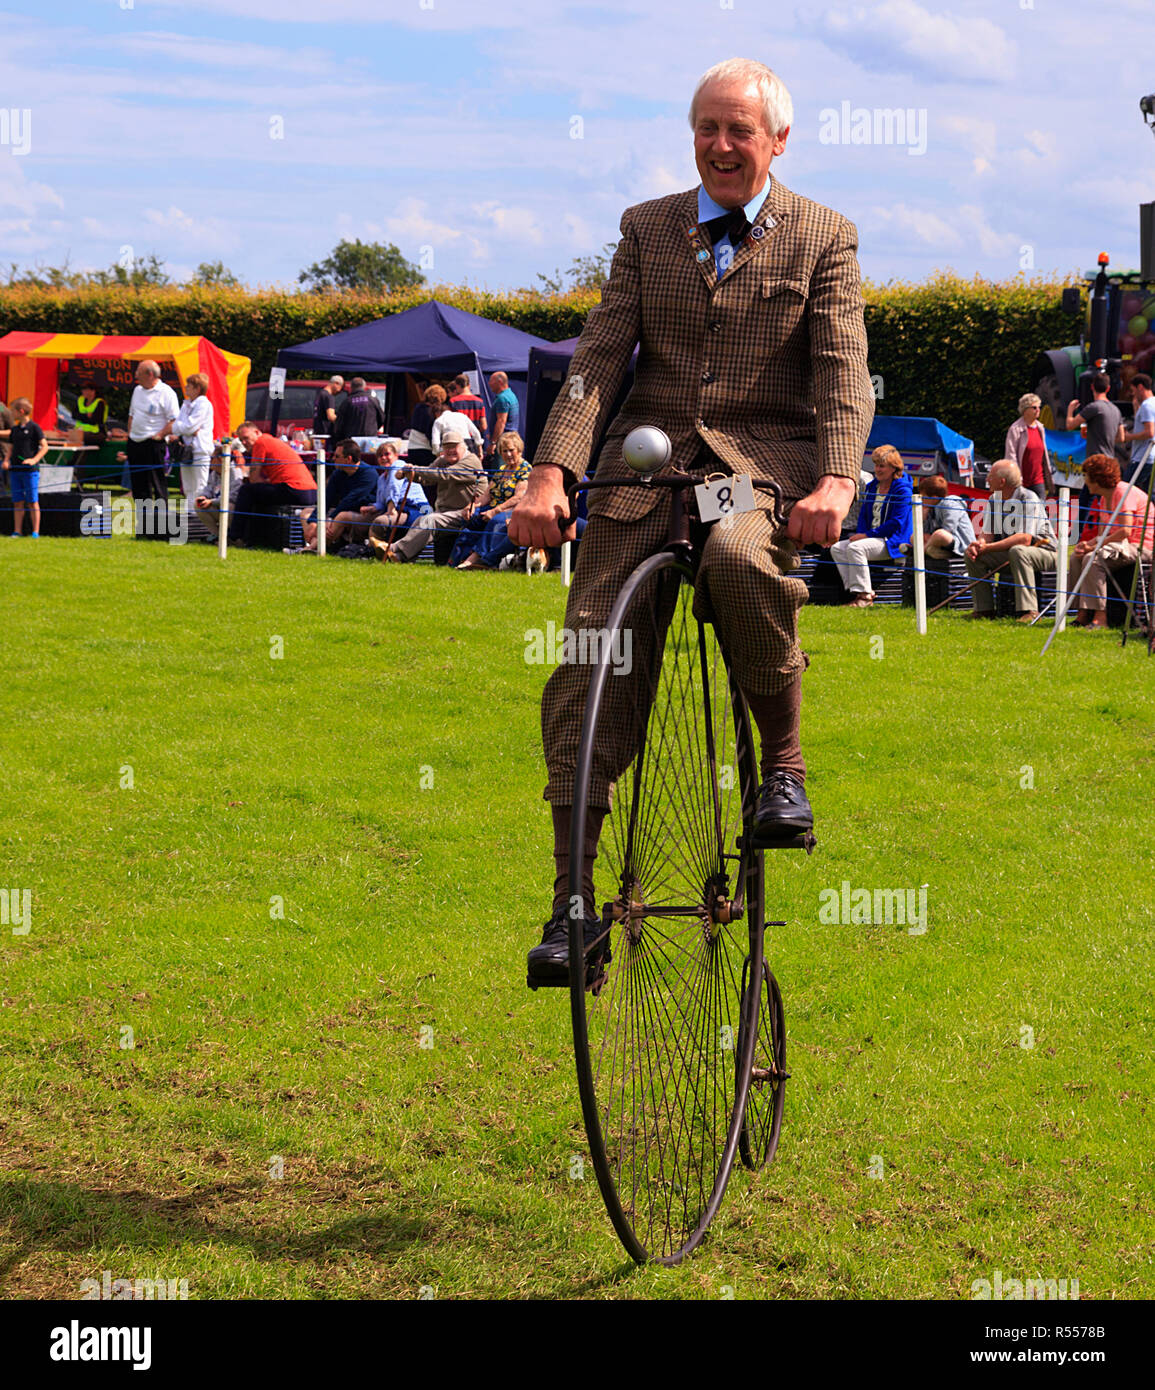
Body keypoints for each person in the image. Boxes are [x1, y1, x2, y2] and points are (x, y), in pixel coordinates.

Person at [508, 57, 874, 987]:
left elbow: (840, 369)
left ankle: (782, 771)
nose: (719, 145)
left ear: (776, 141)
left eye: (739, 130)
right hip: (648, 472)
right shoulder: (648, 228)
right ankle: (571, 907)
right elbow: (596, 358)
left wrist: (835, 478)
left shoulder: (822, 237)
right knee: (590, 656)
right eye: (706, 128)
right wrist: (548, 470)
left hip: (749, 473)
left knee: (737, 553)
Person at [1066, 452, 1155, 628]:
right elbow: (1102, 535)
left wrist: (1093, 546)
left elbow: (1125, 531)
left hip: (1139, 546)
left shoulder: (1123, 492)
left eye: (1086, 476)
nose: (1084, 480)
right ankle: (1081, 613)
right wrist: (1087, 545)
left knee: (1094, 558)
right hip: (1118, 546)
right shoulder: (1102, 499)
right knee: (1076, 558)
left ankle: (1100, 617)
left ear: (1097, 478)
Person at [964, 459, 1055, 622]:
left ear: (1002, 481)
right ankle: (984, 610)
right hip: (1015, 553)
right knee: (973, 555)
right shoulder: (994, 499)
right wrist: (979, 545)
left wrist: (989, 547)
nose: (986, 479)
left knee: (1018, 551)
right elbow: (987, 532)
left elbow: (1025, 539)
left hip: (1046, 552)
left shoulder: (1029, 498)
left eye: (990, 476)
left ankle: (1031, 611)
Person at [384, 430, 489, 562]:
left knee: (430, 521)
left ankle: (392, 548)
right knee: (422, 521)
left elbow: (445, 474)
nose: (450, 450)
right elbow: (428, 479)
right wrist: (408, 474)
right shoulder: (442, 460)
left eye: (454, 446)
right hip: (446, 512)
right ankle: (399, 557)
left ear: (463, 447)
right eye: (446, 447)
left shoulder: (471, 461)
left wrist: (415, 469)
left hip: (467, 512)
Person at [829, 444, 912, 606]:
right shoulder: (873, 486)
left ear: (894, 468)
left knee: (855, 548)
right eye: (875, 465)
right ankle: (855, 591)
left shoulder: (903, 490)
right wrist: (860, 534)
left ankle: (865, 596)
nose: (877, 469)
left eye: (882, 466)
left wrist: (865, 536)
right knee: (837, 548)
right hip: (872, 538)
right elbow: (864, 516)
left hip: (892, 540)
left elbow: (896, 522)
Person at [452, 431, 532, 568]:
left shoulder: (525, 469)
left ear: (519, 449)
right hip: (494, 507)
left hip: (513, 510)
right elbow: (486, 495)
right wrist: (473, 506)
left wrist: (495, 511)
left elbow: (518, 498)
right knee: (470, 518)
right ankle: (457, 559)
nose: (508, 454)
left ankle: (476, 560)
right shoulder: (501, 469)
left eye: (511, 450)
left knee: (495, 521)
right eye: (504, 451)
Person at [229, 421, 317, 547]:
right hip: (311, 491)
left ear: (257, 432)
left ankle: (235, 536)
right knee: (258, 495)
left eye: (246, 438)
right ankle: (256, 540)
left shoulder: (261, 442)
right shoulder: (272, 441)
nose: (244, 442)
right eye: (241, 440)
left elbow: (254, 479)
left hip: (295, 489)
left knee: (246, 491)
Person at [295, 440, 379, 552]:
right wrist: (314, 522)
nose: (333, 459)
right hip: (342, 509)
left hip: (364, 513)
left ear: (348, 459)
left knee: (341, 517)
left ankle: (310, 548)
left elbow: (350, 501)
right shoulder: (339, 473)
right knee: (305, 513)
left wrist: (331, 518)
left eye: (337, 456)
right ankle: (314, 547)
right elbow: (326, 498)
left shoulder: (368, 474)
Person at [126, 360, 180, 512]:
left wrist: (160, 435)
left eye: (139, 372)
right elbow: (132, 415)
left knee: (157, 484)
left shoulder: (166, 393)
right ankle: (144, 526)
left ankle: (161, 525)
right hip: (135, 443)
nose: (136, 375)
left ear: (150, 374)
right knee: (138, 486)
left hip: (154, 444)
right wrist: (130, 434)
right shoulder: (137, 390)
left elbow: (174, 420)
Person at [365, 441, 431, 555]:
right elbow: (381, 502)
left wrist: (391, 510)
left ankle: (377, 553)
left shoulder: (399, 465)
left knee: (380, 521)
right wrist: (371, 508)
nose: (384, 458)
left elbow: (394, 488)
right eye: (380, 456)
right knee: (360, 520)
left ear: (396, 456)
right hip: (398, 508)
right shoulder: (381, 478)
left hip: (417, 509)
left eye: (387, 454)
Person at [167, 372, 215, 516]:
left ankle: (200, 514)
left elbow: (189, 426)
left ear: (198, 388)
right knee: (187, 484)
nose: (186, 388)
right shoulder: (186, 404)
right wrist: (184, 428)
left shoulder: (204, 404)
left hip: (200, 450)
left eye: (189, 385)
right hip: (185, 450)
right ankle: (189, 513)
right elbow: (180, 426)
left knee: (200, 484)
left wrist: (185, 428)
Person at [1, 397, 50, 536]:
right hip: (15, 470)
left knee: (32, 501)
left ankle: (35, 532)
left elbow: (45, 447)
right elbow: (11, 447)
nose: (11, 414)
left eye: (13, 411)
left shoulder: (34, 427)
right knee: (17, 502)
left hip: (30, 472)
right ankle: (17, 531)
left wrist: (34, 460)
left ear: (21, 411)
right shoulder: (15, 429)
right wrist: (6, 460)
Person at [1004, 393, 1053, 501]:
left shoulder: (1040, 428)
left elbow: (1044, 456)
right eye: (1034, 407)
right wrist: (1016, 479)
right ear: (1025, 410)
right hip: (1021, 482)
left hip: (1038, 480)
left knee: (1040, 512)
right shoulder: (1015, 429)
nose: (1038, 410)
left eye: (1039, 407)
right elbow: (1010, 456)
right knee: (1021, 514)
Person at [1065, 373, 1123, 463]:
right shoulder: (1116, 410)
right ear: (1108, 388)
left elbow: (1070, 426)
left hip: (1095, 462)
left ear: (1092, 387)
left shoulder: (1093, 407)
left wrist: (1070, 409)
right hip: (1110, 462)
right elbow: (1121, 438)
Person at [194, 445, 246, 542]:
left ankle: (234, 537)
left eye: (212, 458)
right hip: (217, 505)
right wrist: (203, 497)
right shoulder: (214, 473)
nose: (210, 461)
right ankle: (218, 536)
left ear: (221, 459)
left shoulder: (235, 473)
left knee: (228, 506)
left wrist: (211, 502)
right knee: (198, 505)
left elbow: (233, 497)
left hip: (233, 511)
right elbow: (209, 488)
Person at [917, 474, 975, 559]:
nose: (921, 500)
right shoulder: (930, 508)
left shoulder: (950, 504)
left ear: (934, 498)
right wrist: (924, 518)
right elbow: (926, 531)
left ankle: (920, 555)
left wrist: (931, 538)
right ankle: (933, 552)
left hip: (960, 544)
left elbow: (948, 529)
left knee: (940, 534)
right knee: (915, 536)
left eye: (923, 497)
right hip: (942, 543)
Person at [1120, 373, 1155, 496]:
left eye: (1133, 390)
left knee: (1124, 492)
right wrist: (1136, 409)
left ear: (1140, 387)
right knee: (1147, 496)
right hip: (1150, 457)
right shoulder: (1151, 403)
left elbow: (1150, 432)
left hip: (1142, 458)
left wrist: (1129, 437)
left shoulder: (1147, 405)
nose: (1132, 394)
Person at [405, 384, 445, 469]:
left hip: (412, 448)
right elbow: (430, 434)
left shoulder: (417, 407)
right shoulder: (430, 412)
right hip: (424, 450)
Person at [333, 377, 383, 442]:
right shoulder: (373, 400)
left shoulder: (347, 402)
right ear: (364, 386)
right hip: (370, 439)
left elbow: (339, 424)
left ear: (351, 387)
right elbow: (381, 418)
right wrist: (373, 429)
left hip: (352, 440)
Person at [485, 371, 519, 459]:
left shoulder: (502, 398)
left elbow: (501, 422)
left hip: (504, 442)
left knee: (501, 470)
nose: (489, 384)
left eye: (491, 381)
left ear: (500, 382)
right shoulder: (511, 395)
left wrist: (493, 443)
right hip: (511, 440)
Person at [449, 373, 488, 437]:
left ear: (457, 386)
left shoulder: (453, 401)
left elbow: (450, 423)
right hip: (475, 438)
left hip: (459, 438)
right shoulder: (479, 401)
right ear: (469, 385)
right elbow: (484, 426)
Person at [75, 384, 109, 448]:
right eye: (83, 390)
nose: (83, 392)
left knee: (80, 438)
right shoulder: (80, 399)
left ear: (93, 391)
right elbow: (74, 415)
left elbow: (95, 420)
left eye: (86, 390)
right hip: (80, 431)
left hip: (96, 433)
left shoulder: (100, 403)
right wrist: (86, 416)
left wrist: (81, 416)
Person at [313, 376, 344, 442]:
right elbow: (331, 416)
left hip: (318, 432)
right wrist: (343, 422)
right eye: (341, 388)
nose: (339, 391)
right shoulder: (329, 397)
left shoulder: (320, 394)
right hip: (326, 434)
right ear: (336, 383)